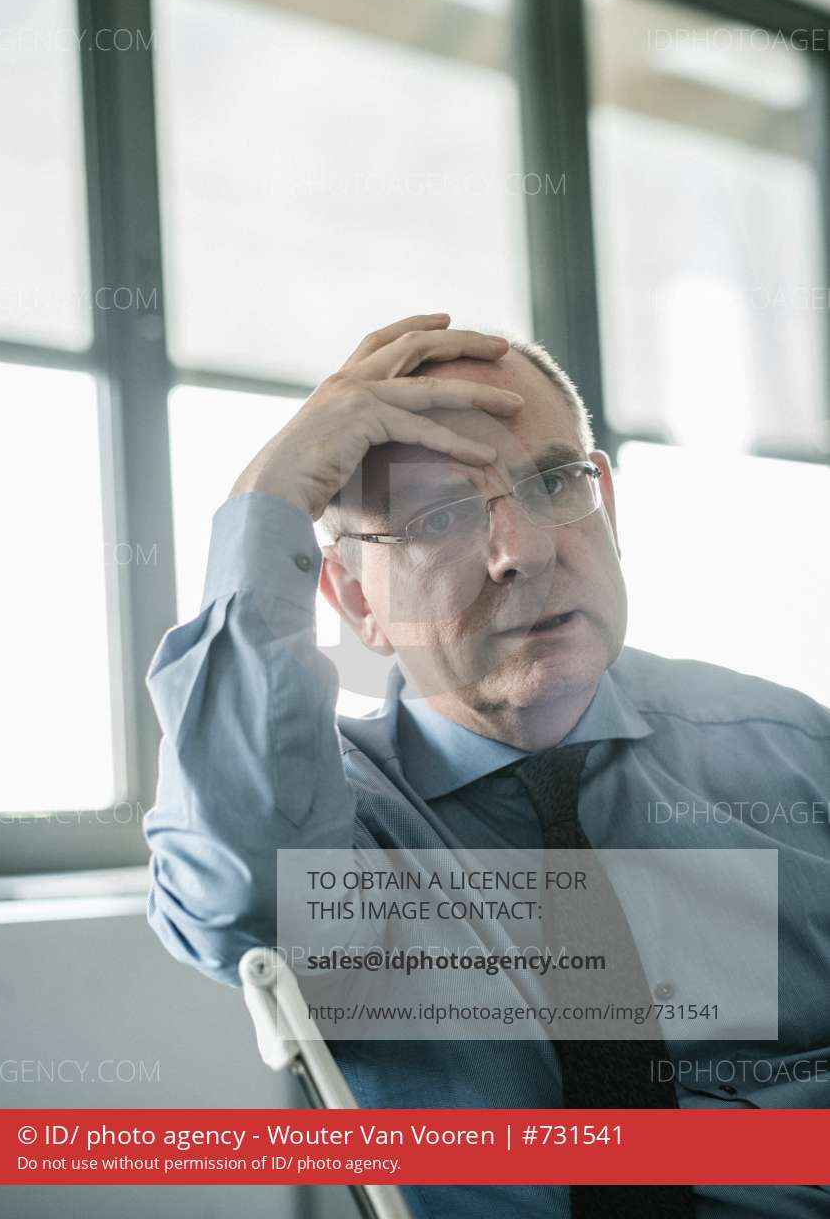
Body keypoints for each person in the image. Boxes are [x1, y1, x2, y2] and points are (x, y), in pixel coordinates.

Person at [144, 313, 830, 1219]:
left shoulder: (793, 755)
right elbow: (245, 908)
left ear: (607, 505)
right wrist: (267, 501)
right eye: (437, 516)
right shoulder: (338, 825)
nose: (526, 552)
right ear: (354, 599)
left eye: (553, 483)